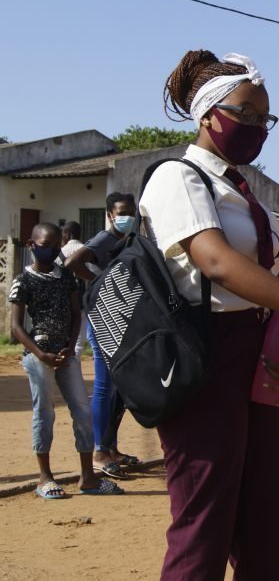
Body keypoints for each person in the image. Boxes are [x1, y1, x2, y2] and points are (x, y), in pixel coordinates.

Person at [142, 49, 279, 580]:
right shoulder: (179, 179)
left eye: (263, 117)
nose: (256, 127)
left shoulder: (247, 192)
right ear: (206, 115)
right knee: (203, 526)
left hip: (254, 359)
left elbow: (268, 281)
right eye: (244, 113)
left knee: (267, 527)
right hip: (204, 358)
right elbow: (217, 262)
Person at [9, 222, 123, 499]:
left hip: (66, 356)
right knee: (44, 414)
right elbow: (15, 327)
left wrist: (71, 348)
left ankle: (89, 478)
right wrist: (40, 354)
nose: (51, 251)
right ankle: (45, 478)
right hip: (39, 357)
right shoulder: (22, 281)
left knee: (82, 412)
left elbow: (76, 314)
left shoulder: (67, 278)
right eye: (45, 245)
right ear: (31, 244)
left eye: (56, 245)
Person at [65, 193, 140, 478]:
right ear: (110, 214)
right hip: (101, 320)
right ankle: (98, 451)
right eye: (122, 212)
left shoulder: (130, 239)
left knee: (119, 388)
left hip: (122, 319)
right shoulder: (103, 240)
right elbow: (73, 262)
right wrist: (99, 281)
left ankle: (110, 447)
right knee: (104, 385)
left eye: (131, 212)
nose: (128, 217)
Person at [58, 221, 87, 358]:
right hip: (82, 299)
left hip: (62, 300)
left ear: (68, 235)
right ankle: (75, 363)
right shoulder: (86, 250)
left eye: (63, 234)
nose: (62, 237)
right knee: (79, 338)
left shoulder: (59, 253)